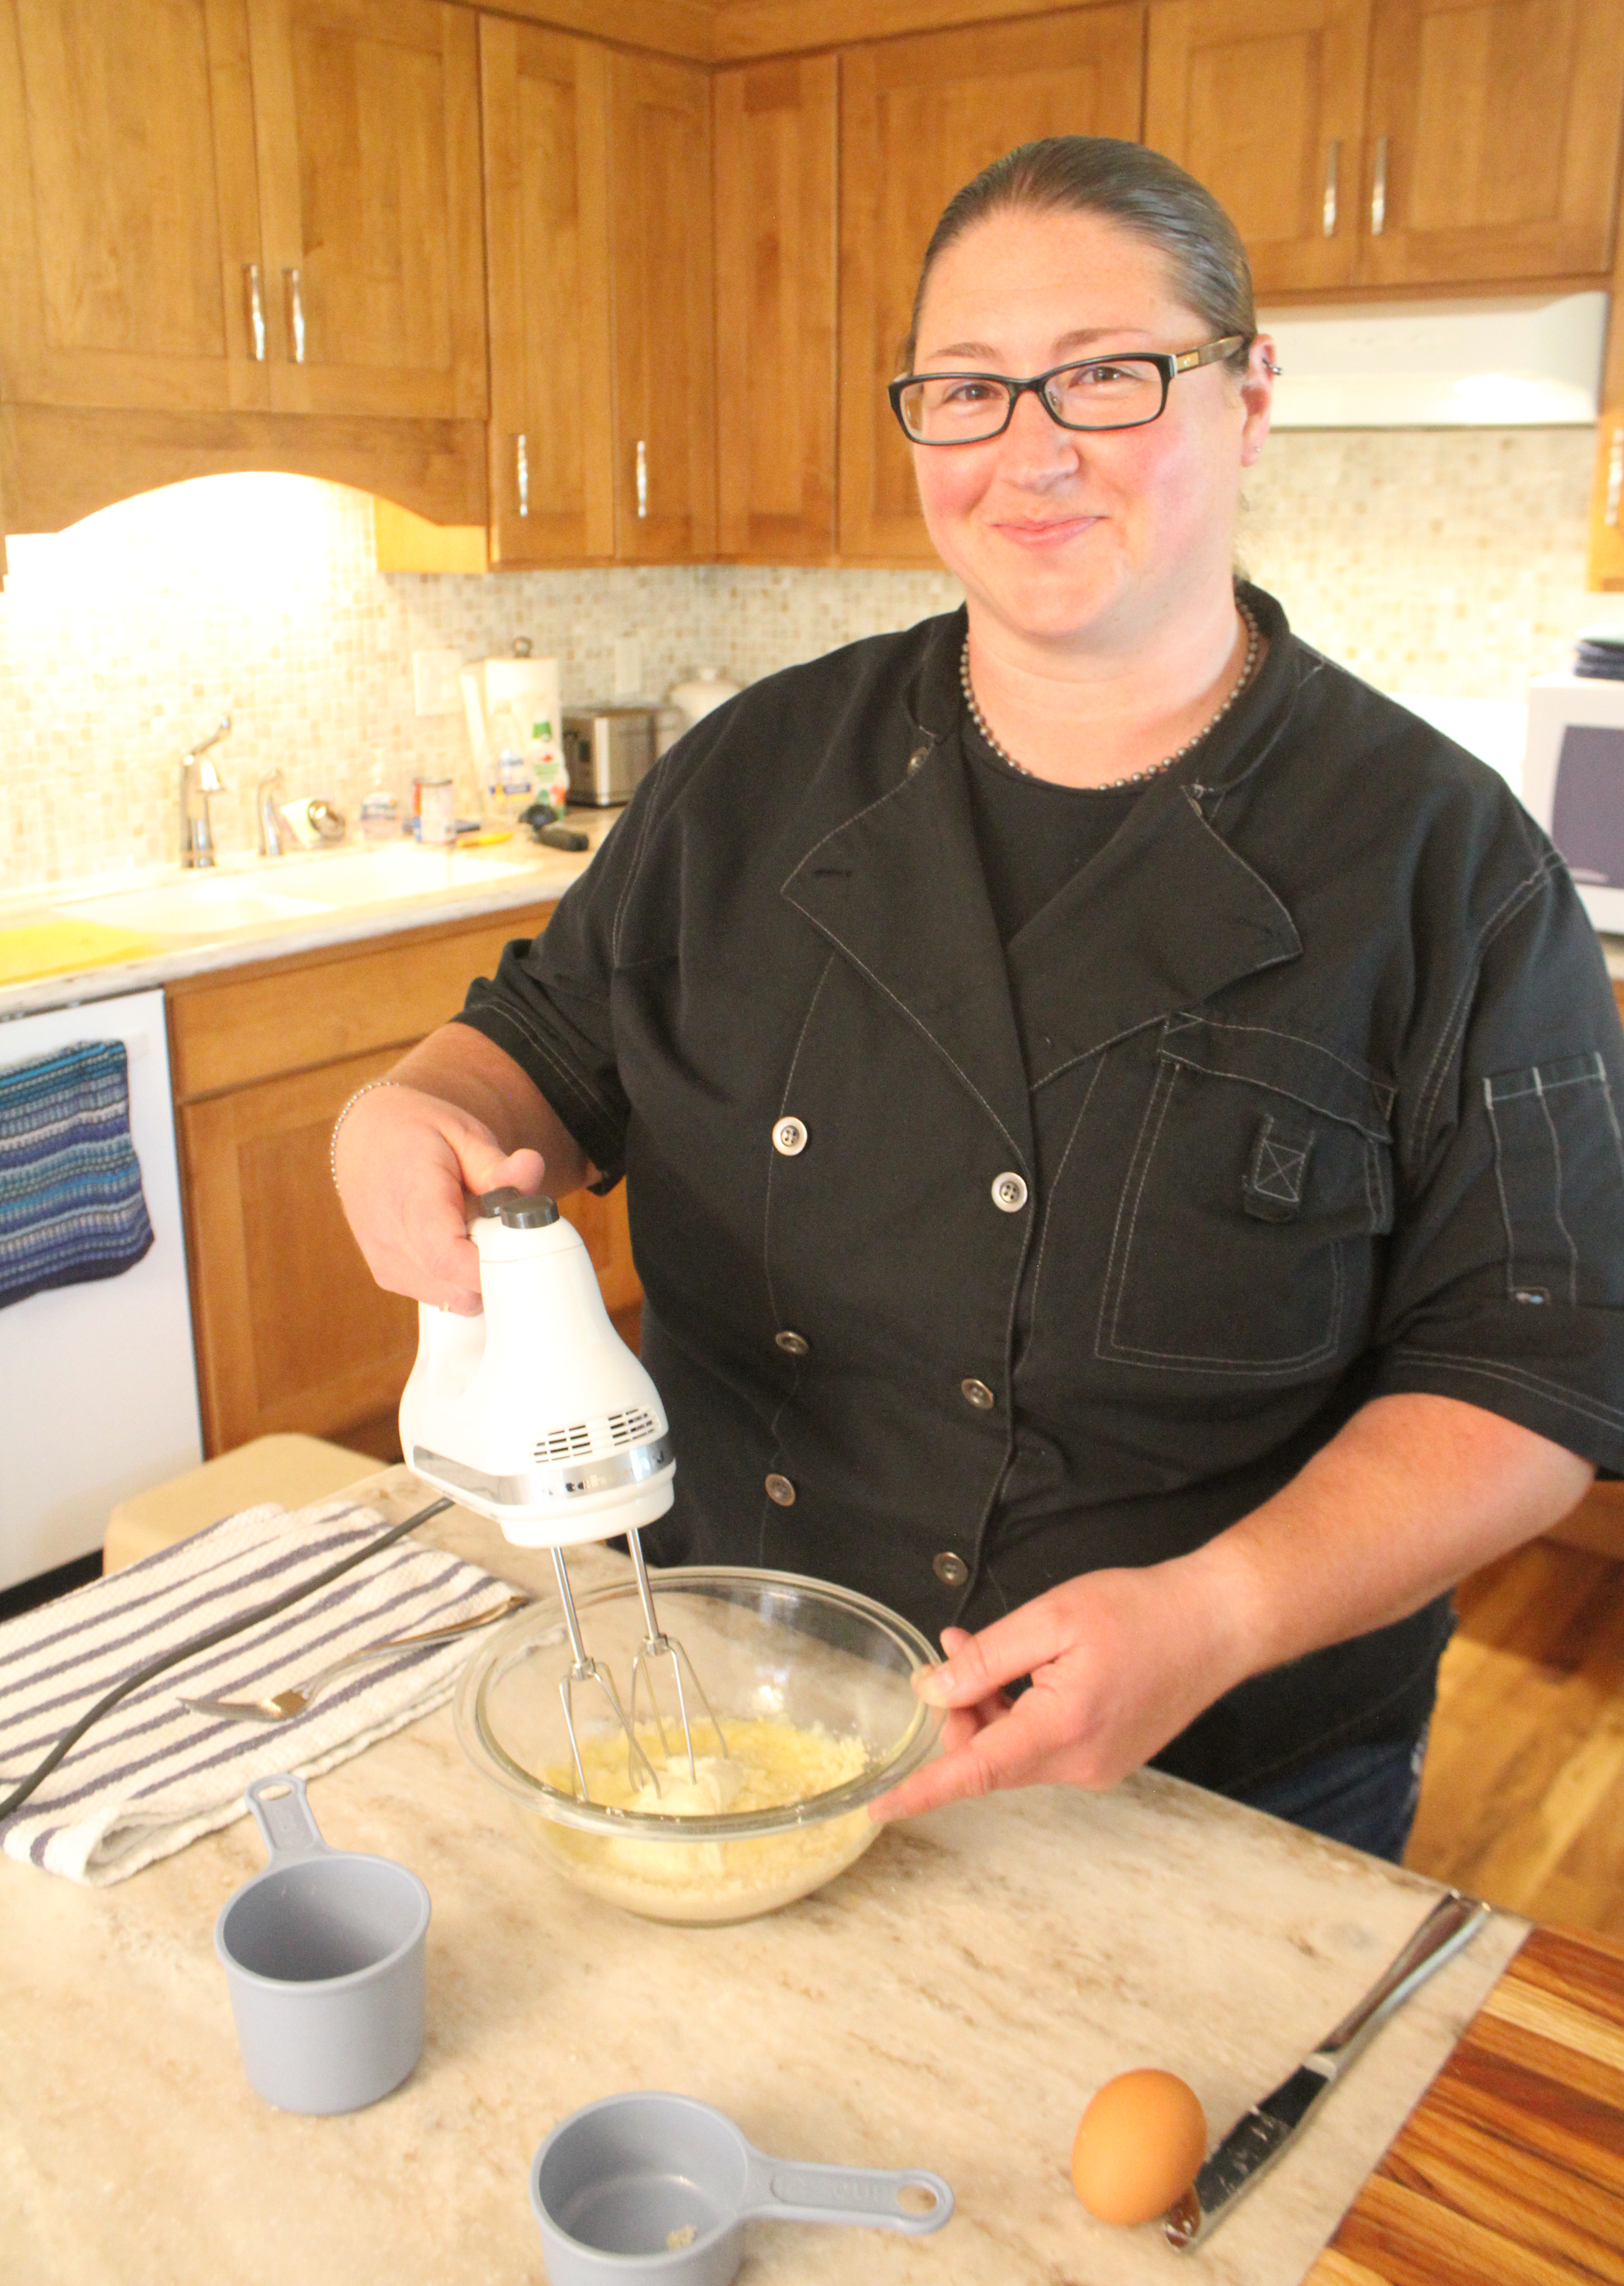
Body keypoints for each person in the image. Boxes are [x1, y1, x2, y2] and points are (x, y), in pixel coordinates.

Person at [336, 137, 1624, 1863]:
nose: (1031, 453)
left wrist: (1221, 1617)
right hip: (721, 1697)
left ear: (1248, 398)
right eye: (966, 389)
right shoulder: (753, 773)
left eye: (1105, 376)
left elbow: (1532, 1376)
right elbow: (540, 1048)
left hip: (1211, 1779)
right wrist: (419, 1111)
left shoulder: (1452, 866)